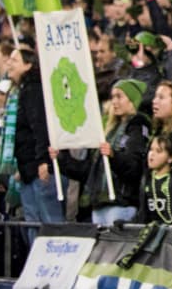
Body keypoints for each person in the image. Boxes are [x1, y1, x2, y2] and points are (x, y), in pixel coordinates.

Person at [55, 78, 150, 225]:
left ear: (132, 100)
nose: (114, 102)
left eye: (119, 96)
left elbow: (133, 167)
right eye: (113, 97)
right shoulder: (109, 130)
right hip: (99, 204)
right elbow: (88, 171)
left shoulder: (138, 126)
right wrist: (61, 157)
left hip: (121, 204)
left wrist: (113, 156)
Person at [10, 45, 63, 243]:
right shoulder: (23, 90)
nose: (9, 64)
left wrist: (43, 161)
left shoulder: (34, 89)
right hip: (27, 169)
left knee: (49, 224)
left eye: (14, 60)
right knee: (33, 223)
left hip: (38, 168)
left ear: (28, 65)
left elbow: (39, 126)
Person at [138, 135, 172, 225]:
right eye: (151, 149)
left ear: (171, 158)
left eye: (158, 151)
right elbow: (142, 211)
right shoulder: (146, 178)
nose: (152, 154)